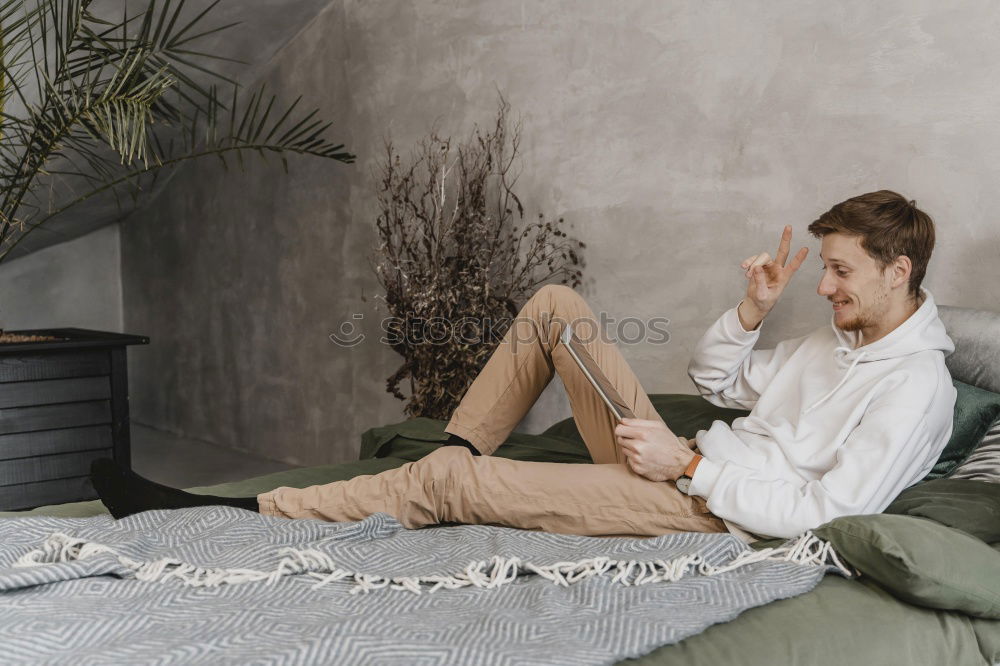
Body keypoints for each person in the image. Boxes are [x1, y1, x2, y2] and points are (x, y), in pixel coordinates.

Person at [90, 189, 956, 541]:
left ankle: (241, 511)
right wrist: (752, 313)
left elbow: (827, 516)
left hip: (719, 514)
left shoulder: (916, 388)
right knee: (554, 307)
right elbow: (717, 383)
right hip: (685, 465)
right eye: (828, 268)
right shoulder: (831, 343)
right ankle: (454, 452)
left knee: (455, 492)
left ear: (898, 270)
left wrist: (689, 467)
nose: (828, 286)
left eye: (840, 271)